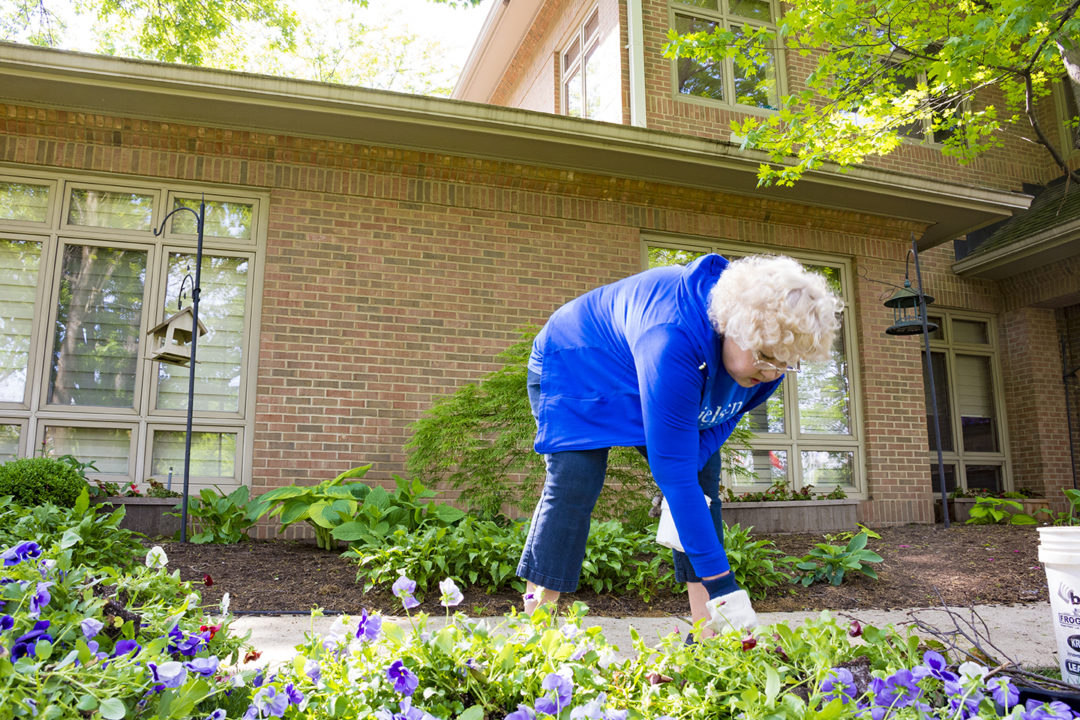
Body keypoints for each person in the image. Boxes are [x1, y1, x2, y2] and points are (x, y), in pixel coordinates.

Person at [519, 252, 843, 637]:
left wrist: (691, 469)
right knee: (576, 478)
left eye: (785, 364)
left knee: (701, 483)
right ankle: (534, 632)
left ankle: (707, 636)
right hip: (578, 358)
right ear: (733, 327)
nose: (773, 373)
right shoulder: (671, 338)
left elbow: (722, 418)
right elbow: (672, 472)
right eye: (766, 358)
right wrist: (725, 588)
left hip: (643, 361)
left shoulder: (771, 354)